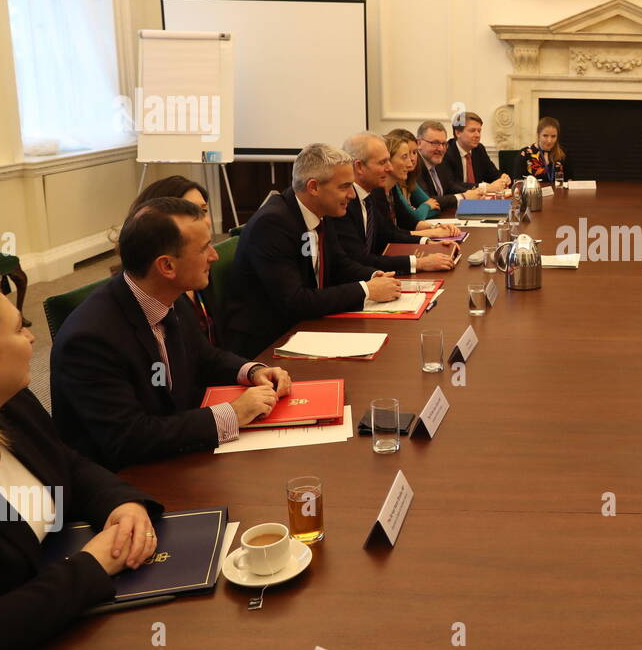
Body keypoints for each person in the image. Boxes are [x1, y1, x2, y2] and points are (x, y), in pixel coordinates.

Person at [0, 273, 162, 650]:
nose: (32, 339)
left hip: (69, 627)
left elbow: (66, 463)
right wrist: (91, 566)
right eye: (19, 329)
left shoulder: (10, 403)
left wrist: (122, 502)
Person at [52, 197, 293, 470]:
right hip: (129, 482)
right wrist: (233, 414)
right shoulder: (89, 340)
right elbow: (128, 438)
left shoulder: (169, 296)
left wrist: (251, 371)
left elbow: (204, 357)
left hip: (177, 451)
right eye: (204, 248)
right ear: (166, 266)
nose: (214, 255)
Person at [223, 144, 402, 357]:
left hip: (304, 327)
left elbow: (339, 264)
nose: (352, 195)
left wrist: (375, 277)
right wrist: (367, 290)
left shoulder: (320, 212)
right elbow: (295, 301)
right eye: (344, 187)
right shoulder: (272, 224)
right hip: (267, 343)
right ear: (314, 187)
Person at [336, 134, 456, 274]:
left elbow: (388, 234)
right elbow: (360, 260)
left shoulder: (371, 194)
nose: (389, 168)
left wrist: (428, 243)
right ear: (359, 167)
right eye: (382, 163)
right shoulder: (343, 203)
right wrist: (419, 263)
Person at [126, 176, 220, 343]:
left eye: (203, 211)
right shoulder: (160, 291)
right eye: (189, 211)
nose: (204, 221)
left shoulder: (196, 269)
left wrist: (251, 369)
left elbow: (206, 352)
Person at [384, 129, 457, 233]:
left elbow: (435, 208)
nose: (411, 160)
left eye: (414, 153)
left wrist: (421, 212)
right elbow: (413, 218)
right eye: (405, 156)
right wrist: (426, 206)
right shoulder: (390, 187)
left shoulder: (410, 178)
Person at [416, 120, 483, 210]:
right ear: (419, 143)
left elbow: (450, 186)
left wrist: (473, 192)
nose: (441, 149)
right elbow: (428, 201)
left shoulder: (439, 161)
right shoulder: (414, 166)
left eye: (444, 144)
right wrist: (463, 197)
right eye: (435, 143)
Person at [444, 112, 510, 193]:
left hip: (478, 201)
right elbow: (452, 185)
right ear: (458, 133)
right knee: (503, 205)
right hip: (459, 203)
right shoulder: (446, 151)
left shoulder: (479, 149)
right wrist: (484, 187)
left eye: (479, 131)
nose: (477, 135)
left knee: (508, 204)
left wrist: (502, 179)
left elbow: (492, 174)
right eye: (472, 131)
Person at [515, 117, 569, 184]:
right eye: (545, 136)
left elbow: (569, 180)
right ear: (538, 134)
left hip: (559, 194)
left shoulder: (563, 154)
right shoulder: (524, 154)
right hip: (533, 194)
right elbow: (517, 182)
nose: (549, 140)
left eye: (553, 136)